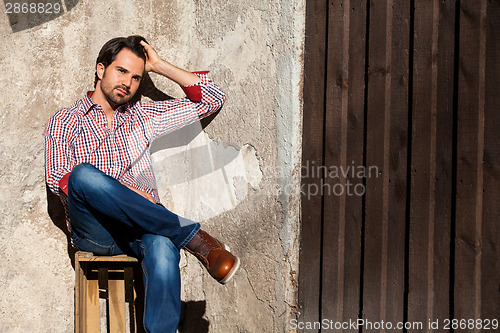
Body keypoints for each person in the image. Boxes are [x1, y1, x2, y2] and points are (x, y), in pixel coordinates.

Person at [45, 35, 240, 332]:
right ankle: (195, 238)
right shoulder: (66, 120)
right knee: (83, 175)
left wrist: (159, 66)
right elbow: (60, 181)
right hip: (97, 231)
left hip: (145, 228)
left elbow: (213, 98)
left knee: (163, 246)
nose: (129, 82)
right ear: (101, 69)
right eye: (121, 71)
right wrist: (124, 192)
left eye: (136, 77)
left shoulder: (143, 117)